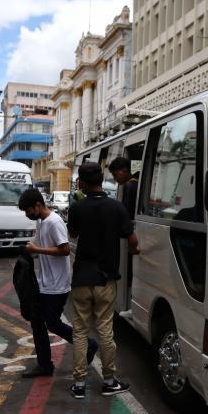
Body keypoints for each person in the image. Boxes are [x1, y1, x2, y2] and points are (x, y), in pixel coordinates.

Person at [66, 162, 140, 399]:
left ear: (83, 184)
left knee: (79, 331)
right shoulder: (116, 207)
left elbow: (73, 234)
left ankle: (78, 384)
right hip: (106, 279)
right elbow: (132, 238)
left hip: (81, 279)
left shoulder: (77, 208)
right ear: (101, 180)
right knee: (105, 331)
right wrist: (133, 251)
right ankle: (109, 381)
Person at [16, 188, 98, 378]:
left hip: (57, 285)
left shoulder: (54, 222)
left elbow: (64, 249)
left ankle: (88, 345)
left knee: (52, 323)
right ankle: (44, 365)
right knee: (37, 322)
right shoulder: (42, 222)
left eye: (28, 210)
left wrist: (38, 249)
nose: (27, 214)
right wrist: (31, 251)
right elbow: (43, 248)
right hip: (44, 282)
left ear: (37, 205)